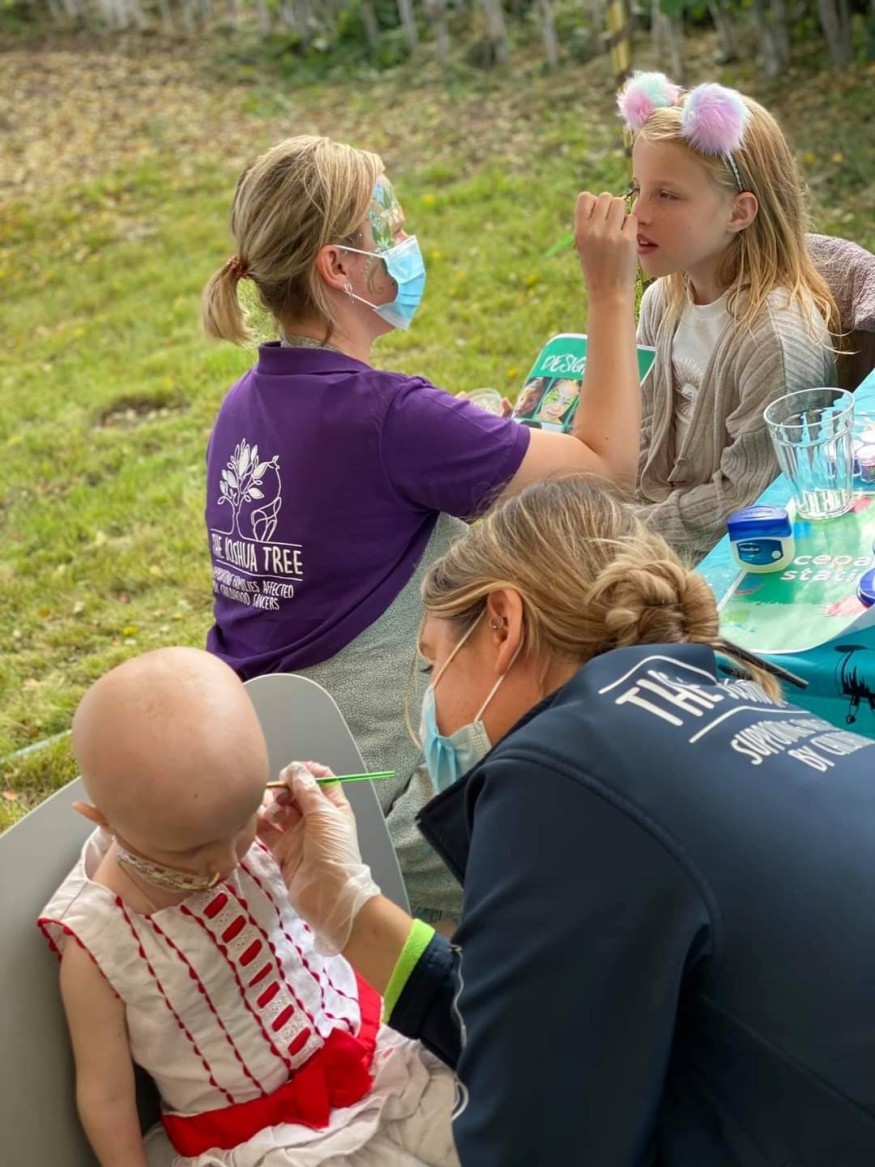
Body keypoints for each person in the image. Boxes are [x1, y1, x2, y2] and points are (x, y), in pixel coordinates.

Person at [262, 477, 875, 1166]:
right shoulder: (732, 707)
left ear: (502, 624)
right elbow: (548, 1042)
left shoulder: (557, 770)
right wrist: (345, 904)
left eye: (432, 664)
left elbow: (528, 1144)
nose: (430, 703)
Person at [200, 134, 641, 924]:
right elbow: (605, 464)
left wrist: (453, 435)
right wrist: (610, 293)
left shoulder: (245, 402)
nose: (405, 242)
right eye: (389, 227)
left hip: (265, 789)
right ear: (337, 266)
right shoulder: (391, 416)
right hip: (385, 822)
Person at [38, 647, 459, 1167]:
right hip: (258, 1142)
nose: (223, 862)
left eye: (238, 823)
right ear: (103, 819)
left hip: (376, 1058)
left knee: (489, 1125)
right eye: (189, 851)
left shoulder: (268, 826)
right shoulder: (98, 944)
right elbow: (106, 1096)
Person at [619, 72, 838, 564]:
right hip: (651, 536)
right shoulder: (662, 302)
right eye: (637, 189)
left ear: (739, 213)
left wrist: (623, 528)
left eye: (667, 195)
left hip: (735, 559)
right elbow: (642, 433)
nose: (639, 214)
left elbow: (746, 497)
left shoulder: (774, 339)